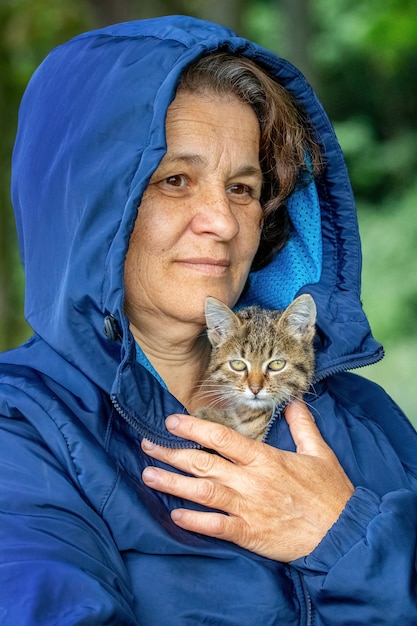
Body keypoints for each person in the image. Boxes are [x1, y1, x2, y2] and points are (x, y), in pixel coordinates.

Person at [0, 14, 416, 625]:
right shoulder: (23, 427)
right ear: (86, 209)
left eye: (244, 189)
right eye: (175, 180)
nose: (222, 221)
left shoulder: (361, 411)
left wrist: (345, 536)